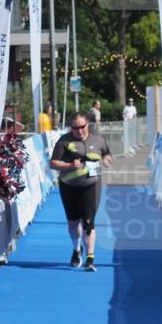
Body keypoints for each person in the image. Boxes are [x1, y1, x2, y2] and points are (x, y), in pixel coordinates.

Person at [50, 112, 112, 271]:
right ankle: (76, 249)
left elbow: (107, 153)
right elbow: (53, 163)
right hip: (69, 186)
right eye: (75, 128)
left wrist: (106, 159)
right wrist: (70, 165)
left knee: (88, 221)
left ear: (88, 125)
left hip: (91, 185)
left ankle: (90, 258)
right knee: (73, 223)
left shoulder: (98, 139)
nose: (79, 131)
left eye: (82, 127)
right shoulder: (64, 141)